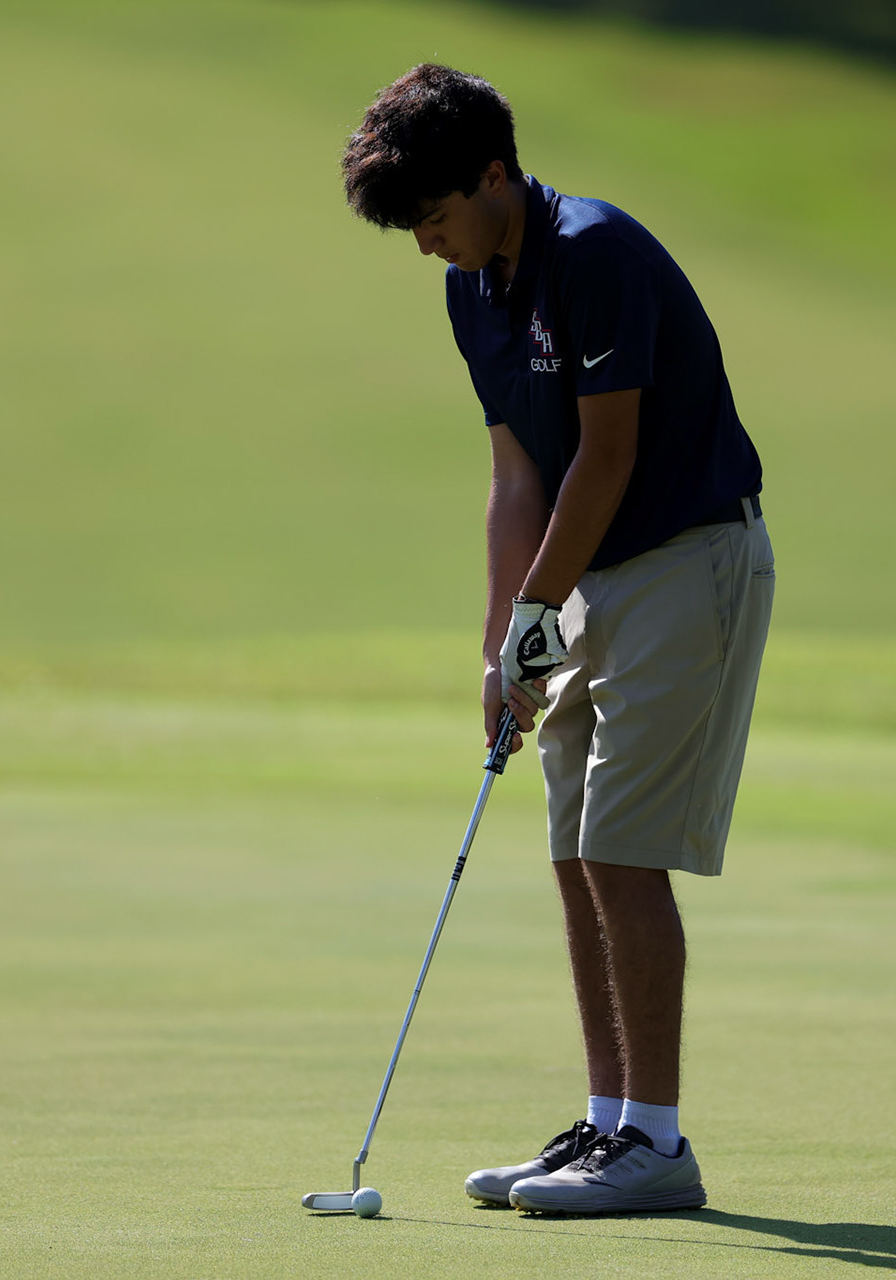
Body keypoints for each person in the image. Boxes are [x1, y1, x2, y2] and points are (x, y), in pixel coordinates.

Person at [340, 63, 773, 1215]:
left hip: (687, 556)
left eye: (436, 218)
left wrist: (541, 609)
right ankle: (609, 1124)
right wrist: (501, 641)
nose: (429, 246)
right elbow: (518, 472)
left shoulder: (597, 255)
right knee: (577, 847)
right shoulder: (471, 289)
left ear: (495, 175)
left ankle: (660, 1142)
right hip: (579, 572)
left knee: (624, 846)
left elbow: (608, 454)